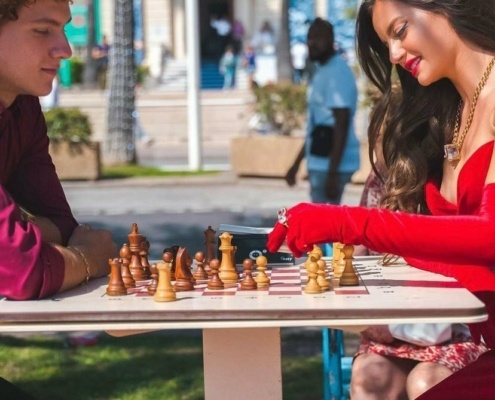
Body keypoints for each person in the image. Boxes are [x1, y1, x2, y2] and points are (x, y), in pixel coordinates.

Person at [267, 1, 495, 398]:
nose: (393, 54)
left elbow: (489, 237)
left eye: (399, 30)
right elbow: (450, 250)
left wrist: (350, 225)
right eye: (386, 41)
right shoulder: (456, 111)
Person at [285, 18, 360, 205]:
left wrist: (333, 173)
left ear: (331, 40)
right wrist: (296, 164)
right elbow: (317, 124)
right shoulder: (324, 71)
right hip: (320, 163)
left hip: (329, 167)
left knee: (324, 229)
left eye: (318, 37)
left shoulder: (337, 72)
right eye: (309, 37)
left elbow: (341, 123)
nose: (312, 43)